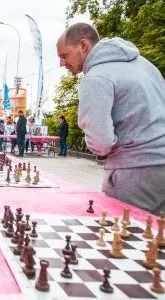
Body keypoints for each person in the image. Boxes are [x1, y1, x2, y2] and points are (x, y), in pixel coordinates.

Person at [57, 23, 165, 214]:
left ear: (83, 45)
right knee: (156, 238)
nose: (62, 63)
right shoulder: (146, 65)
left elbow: (101, 141)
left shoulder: (97, 78)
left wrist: (107, 149)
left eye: (64, 55)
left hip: (135, 170)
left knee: (123, 236)